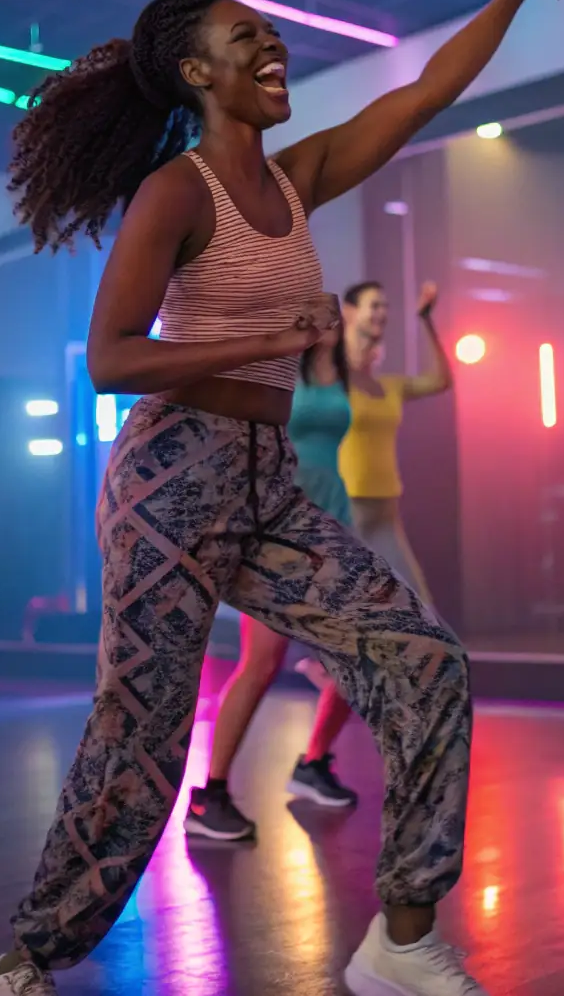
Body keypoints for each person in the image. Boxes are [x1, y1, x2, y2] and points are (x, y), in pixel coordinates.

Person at [0, 0, 564, 996]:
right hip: (172, 477)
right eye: (244, 39)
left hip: (271, 485)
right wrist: (270, 334)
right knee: (144, 734)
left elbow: (428, 88)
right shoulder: (175, 194)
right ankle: (32, 958)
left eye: (271, 34)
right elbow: (110, 358)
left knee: (425, 663)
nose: (272, 47)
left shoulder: (297, 178)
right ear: (195, 72)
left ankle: (399, 943)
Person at [185, 322, 359, 843]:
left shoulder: (345, 376)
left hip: (331, 525)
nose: (330, 319)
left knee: (354, 655)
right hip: (278, 530)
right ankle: (209, 794)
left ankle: (314, 762)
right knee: (261, 665)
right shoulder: (282, 369)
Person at [338, 279, 452, 607]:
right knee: (348, 603)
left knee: (417, 602)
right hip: (348, 506)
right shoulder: (332, 379)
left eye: (385, 307)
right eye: (374, 305)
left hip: (385, 509)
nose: (382, 313)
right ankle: (315, 658)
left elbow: (441, 380)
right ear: (349, 312)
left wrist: (426, 319)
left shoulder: (389, 385)